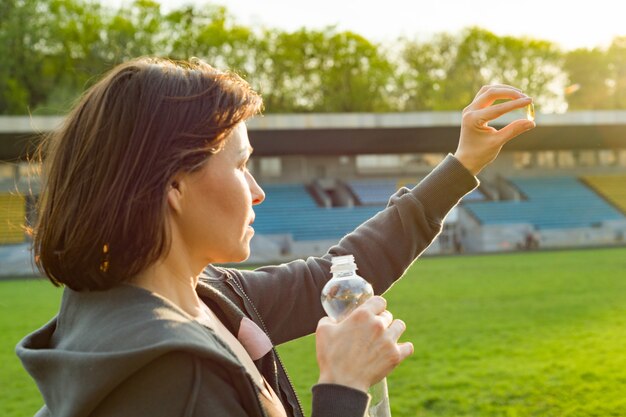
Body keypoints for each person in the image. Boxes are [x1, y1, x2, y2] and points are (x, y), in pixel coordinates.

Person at [16, 57, 535, 417]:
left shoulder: (201, 295)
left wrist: (463, 164)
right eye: (241, 165)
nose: (258, 192)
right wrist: (343, 387)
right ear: (173, 183)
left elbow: (332, 275)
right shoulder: (172, 374)